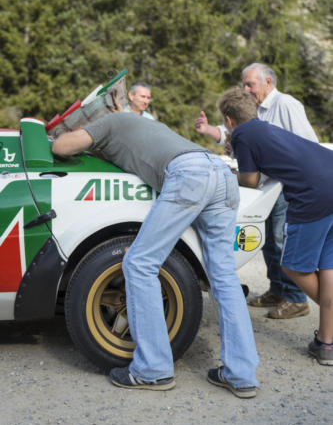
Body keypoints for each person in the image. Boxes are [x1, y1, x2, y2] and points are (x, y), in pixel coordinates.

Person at [52, 111, 259, 398]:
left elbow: (60, 147)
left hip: (189, 176)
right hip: (221, 174)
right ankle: (242, 375)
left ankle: (153, 370)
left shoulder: (109, 122)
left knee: (139, 264)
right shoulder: (147, 125)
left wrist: (68, 134)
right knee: (223, 277)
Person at [218, 87, 333, 365]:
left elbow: (249, 181)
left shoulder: (242, 134)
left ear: (229, 120)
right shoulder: (262, 128)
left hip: (313, 194)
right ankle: (326, 345)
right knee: (326, 266)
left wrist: (229, 173)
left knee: (293, 265)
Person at [195, 63, 318, 319]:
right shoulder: (254, 109)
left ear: (268, 82)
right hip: (269, 183)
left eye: (250, 84)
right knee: (268, 241)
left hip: (286, 182)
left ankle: (296, 299)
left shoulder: (285, 104)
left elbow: (307, 143)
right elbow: (236, 135)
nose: (246, 89)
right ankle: (278, 289)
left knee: (281, 238)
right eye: (244, 84)